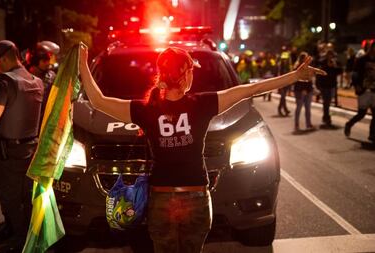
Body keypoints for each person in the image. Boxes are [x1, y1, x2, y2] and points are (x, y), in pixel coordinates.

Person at [79, 43, 326, 253]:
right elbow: (251, 89)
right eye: (191, 71)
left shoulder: (145, 109)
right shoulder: (203, 104)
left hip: (161, 202)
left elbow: (97, 100)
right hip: (196, 200)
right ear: (185, 74)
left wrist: (81, 63)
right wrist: (294, 76)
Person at [0, 40, 44, 249]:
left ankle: (21, 242)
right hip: (31, 150)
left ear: (6, 57)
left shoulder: (4, 82)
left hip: (6, 154)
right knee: (28, 199)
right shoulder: (37, 81)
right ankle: (31, 239)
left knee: (11, 201)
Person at [344, 41, 375, 142]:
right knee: (362, 113)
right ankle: (349, 124)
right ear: (371, 47)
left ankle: (372, 135)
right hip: (364, 90)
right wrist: (357, 85)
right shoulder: (362, 59)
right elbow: (355, 73)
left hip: (374, 90)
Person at [315, 49, 343, 127]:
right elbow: (319, 73)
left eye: (331, 55)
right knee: (326, 102)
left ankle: (325, 116)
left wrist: (335, 66)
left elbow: (340, 71)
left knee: (328, 102)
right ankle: (327, 117)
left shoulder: (335, 62)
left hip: (332, 85)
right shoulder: (322, 62)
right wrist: (318, 85)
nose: (330, 56)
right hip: (324, 85)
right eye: (329, 54)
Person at [293, 52, 315, 132]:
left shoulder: (309, 67)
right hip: (300, 91)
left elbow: (310, 79)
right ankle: (296, 125)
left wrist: (311, 88)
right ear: (302, 59)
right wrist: (303, 90)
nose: (308, 59)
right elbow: (297, 80)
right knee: (299, 108)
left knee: (308, 108)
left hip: (308, 90)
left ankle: (308, 124)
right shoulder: (297, 67)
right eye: (306, 58)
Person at [277, 46, 293, 116]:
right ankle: (281, 109)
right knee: (283, 96)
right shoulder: (281, 65)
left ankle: (283, 109)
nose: (285, 61)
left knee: (283, 96)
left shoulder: (288, 65)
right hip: (282, 82)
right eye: (284, 60)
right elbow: (280, 74)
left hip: (286, 82)